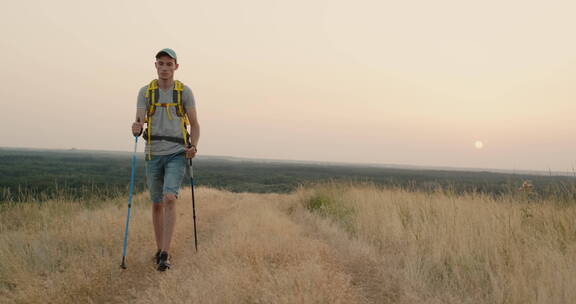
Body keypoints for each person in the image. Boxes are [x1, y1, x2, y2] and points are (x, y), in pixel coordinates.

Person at [131, 48, 200, 271]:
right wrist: (136, 126)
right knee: (157, 202)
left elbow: (195, 124)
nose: (164, 68)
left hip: (177, 152)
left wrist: (194, 146)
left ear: (176, 67)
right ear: (156, 66)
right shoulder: (145, 92)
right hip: (153, 152)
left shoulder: (184, 92)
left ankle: (165, 253)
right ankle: (159, 248)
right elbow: (139, 121)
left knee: (170, 197)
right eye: (161, 64)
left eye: (169, 64)